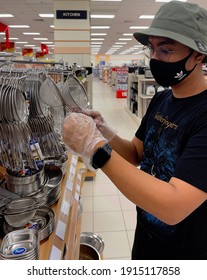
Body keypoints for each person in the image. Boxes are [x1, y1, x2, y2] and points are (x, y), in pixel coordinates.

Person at [62, 1, 207, 259]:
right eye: (151, 48)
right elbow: (136, 154)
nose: (154, 59)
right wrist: (103, 131)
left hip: (186, 252)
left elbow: (174, 206)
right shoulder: (161, 100)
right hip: (146, 236)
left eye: (165, 51)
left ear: (199, 55)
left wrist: (94, 149)